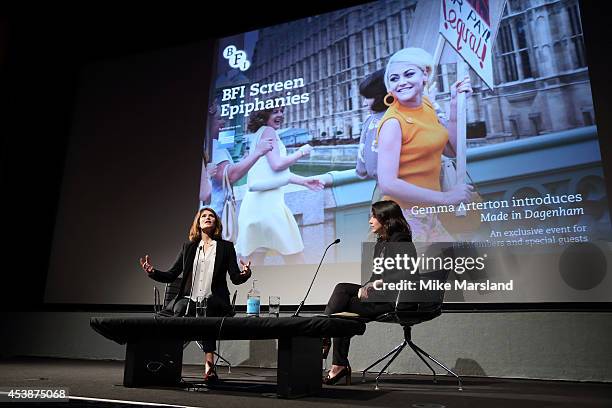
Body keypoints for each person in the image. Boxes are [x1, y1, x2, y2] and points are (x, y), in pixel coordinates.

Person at [140, 207, 252, 382]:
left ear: (216, 223)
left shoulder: (226, 247)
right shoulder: (189, 247)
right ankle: (170, 360)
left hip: (214, 300)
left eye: (211, 216)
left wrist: (246, 274)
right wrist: (152, 272)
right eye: (203, 216)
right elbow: (171, 274)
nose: (207, 218)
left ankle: (209, 365)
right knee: (181, 308)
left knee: (207, 312)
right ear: (198, 223)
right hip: (188, 299)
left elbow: (235, 277)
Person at [376, 47, 474, 241]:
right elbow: (387, 184)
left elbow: (451, 149)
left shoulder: (427, 106)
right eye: (394, 78)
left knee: (454, 268)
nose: (401, 82)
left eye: (409, 74)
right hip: (402, 219)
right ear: (389, 87)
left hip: (429, 214)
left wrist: (455, 104)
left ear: (425, 75)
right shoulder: (393, 123)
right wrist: (447, 198)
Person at [322, 200, 417, 385]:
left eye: (374, 216)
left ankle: (328, 345)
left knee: (342, 302)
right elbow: (375, 277)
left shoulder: (401, 240)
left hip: (395, 299)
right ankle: (335, 359)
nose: (370, 221)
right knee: (342, 297)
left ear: (386, 219)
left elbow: (406, 274)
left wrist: (377, 284)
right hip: (381, 296)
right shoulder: (381, 243)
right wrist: (367, 287)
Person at [235, 107, 324, 265]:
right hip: (269, 208)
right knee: (295, 259)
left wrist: (303, 181)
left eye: (281, 111)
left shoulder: (258, 134)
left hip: (254, 206)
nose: (280, 115)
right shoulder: (269, 131)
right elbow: (277, 165)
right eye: (275, 111)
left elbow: (271, 174)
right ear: (264, 115)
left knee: (254, 265)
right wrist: (301, 152)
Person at [206, 103, 274, 216]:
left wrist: (244, 160)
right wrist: (257, 152)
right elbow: (229, 175)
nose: (223, 123)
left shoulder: (210, 145)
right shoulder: (212, 145)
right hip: (212, 216)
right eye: (219, 119)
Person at [355, 68, 387, 182]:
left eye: (367, 97)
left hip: (392, 192)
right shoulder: (415, 113)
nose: (364, 103)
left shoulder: (373, 121)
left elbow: (364, 170)